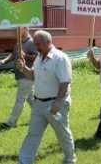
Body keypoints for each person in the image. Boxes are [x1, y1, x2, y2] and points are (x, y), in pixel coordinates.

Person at [18, 30, 76, 164]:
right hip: (38, 103)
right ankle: (24, 161)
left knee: (62, 134)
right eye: (35, 44)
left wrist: (58, 102)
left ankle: (70, 159)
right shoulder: (39, 57)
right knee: (33, 134)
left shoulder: (60, 58)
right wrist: (23, 68)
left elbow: (65, 82)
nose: (36, 47)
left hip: (55, 104)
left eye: (38, 44)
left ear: (48, 42)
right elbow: (33, 76)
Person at [0, 27, 39, 129]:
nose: (15, 32)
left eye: (18, 29)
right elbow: (13, 54)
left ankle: (11, 122)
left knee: (20, 99)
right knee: (31, 99)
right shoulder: (19, 43)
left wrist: (25, 56)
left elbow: (37, 57)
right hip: (20, 76)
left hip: (27, 75)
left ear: (25, 29)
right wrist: (4, 61)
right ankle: (42, 117)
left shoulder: (32, 42)